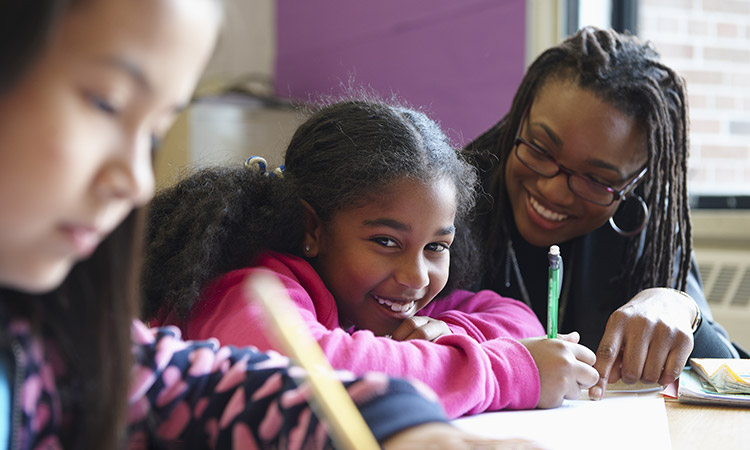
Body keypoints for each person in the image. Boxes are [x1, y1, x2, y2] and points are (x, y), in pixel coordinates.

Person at [0, 0, 533, 448]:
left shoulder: (50, 341)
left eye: (155, 134)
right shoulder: (252, 286)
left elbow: (186, 386)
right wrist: (498, 368)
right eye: (105, 104)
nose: (137, 181)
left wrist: (399, 421)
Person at [142, 98, 599, 419]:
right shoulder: (248, 285)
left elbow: (517, 319)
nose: (416, 276)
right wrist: (509, 372)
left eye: (437, 246)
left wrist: (446, 333)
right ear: (312, 229)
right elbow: (311, 372)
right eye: (385, 241)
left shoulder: (381, 297)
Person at [462, 26, 743, 401]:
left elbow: (729, 374)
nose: (553, 190)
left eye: (596, 179)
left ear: (636, 181)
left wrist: (680, 306)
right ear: (520, 118)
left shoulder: (642, 225)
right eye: (542, 149)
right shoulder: (451, 203)